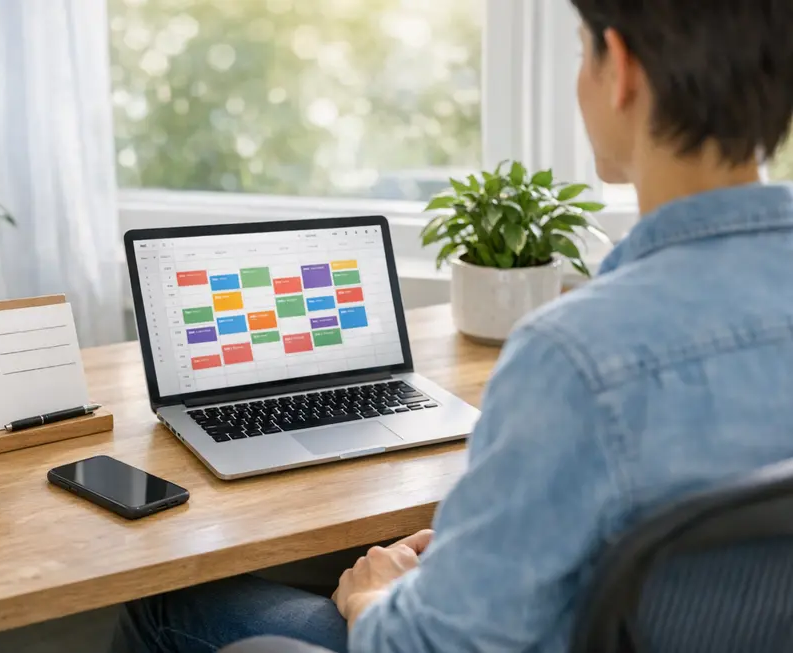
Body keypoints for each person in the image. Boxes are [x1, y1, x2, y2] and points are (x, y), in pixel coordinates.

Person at [110, 0, 793, 650]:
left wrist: (370, 597)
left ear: (622, 69)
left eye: (580, 54)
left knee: (165, 600)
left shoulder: (575, 358)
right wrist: (487, 538)